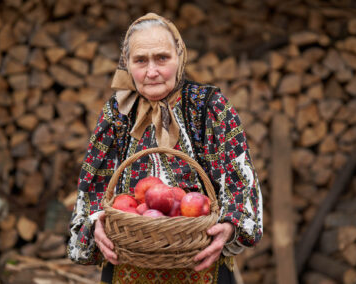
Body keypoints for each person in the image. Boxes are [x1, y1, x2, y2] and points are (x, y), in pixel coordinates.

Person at [67, 13, 263, 283]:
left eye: (162, 58)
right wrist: (95, 222)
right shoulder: (118, 111)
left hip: (200, 264)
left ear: (179, 57)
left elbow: (241, 181)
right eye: (140, 61)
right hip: (129, 263)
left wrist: (230, 226)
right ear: (127, 64)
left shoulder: (209, 107)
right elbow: (94, 186)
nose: (151, 71)